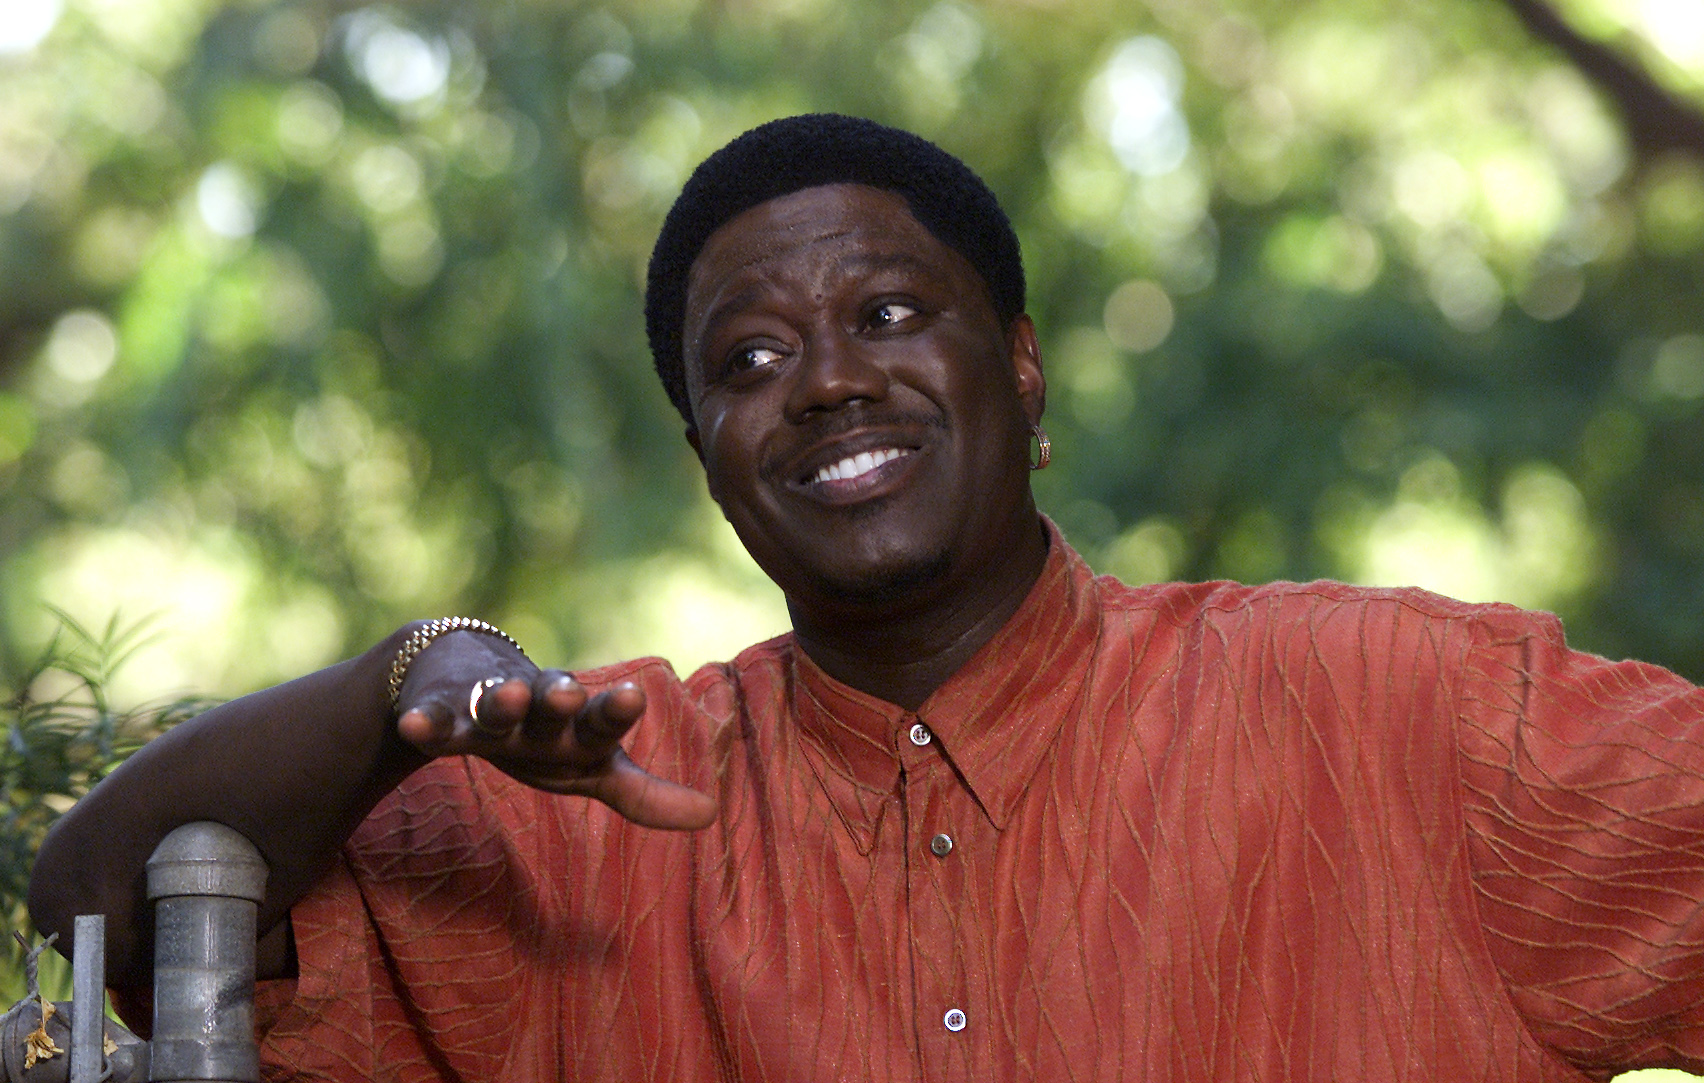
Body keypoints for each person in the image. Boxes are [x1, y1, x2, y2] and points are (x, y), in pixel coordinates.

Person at [27, 114, 1704, 1082]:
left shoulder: (1400, 711)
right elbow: (99, 909)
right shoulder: (592, 794)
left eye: (894, 317)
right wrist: (417, 680)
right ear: (707, 453)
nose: (828, 384)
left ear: (1025, 373)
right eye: (751, 358)